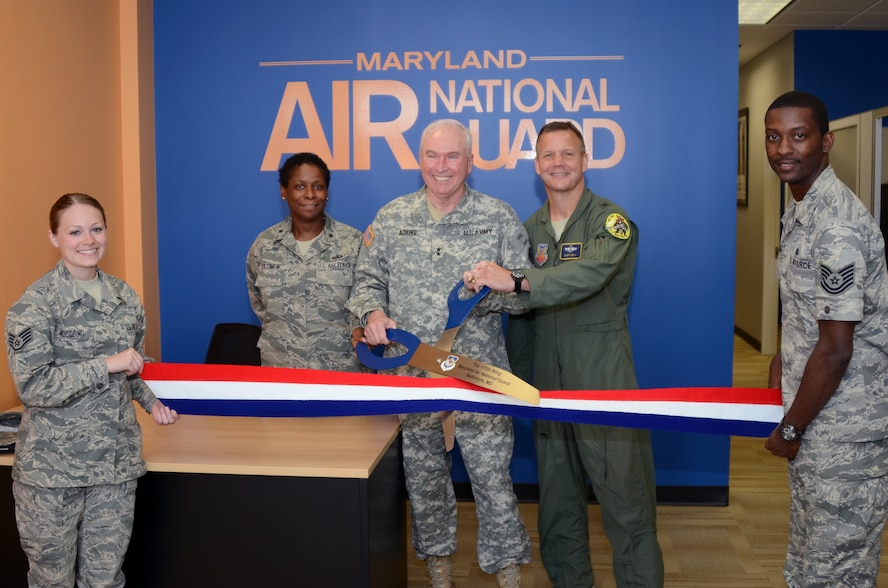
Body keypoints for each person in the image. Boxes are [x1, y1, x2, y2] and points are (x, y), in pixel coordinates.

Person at [464, 121, 664, 587]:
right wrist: (511, 382)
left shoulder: (610, 221)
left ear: (585, 160)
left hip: (603, 383)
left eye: (568, 154)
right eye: (548, 156)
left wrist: (516, 279)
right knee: (557, 503)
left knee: (626, 501)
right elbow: (521, 316)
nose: (558, 163)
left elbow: (588, 275)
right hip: (547, 390)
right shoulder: (528, 229)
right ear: (537, 165)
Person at [347, 119, 532, 587]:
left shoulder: (498, 217)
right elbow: (367, 281)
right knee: (425, 482)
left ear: (470, 161)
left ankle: (508, 572)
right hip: (414, 377)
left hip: (479, 374)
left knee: (493, 480)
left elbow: (526, 293)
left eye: (453, 156)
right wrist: (371, 312)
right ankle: (439, 572)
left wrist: (493, 286)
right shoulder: (391, 217)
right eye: (433, 155)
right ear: (419, 160)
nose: (442, 166)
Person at [5, 193, 180, 587]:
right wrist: (105, 364)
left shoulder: (125, 298)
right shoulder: (34, 307)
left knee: (104, 580)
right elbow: (34, 385)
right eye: (75, 231)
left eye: (96, 229)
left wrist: (154, 404)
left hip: (114, 469)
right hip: (52, 475)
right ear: (54, 238)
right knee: (52, 581)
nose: (89, 240)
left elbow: (133, 368)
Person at [763, 90, 888, 587]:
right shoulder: (802, 207)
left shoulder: (835, 225)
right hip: (818, 417)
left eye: (799, 135)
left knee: (836, 571)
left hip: (844, 432)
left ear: (826, 141)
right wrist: (780, 358)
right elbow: (807, 311)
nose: (784, 149)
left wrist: (791, 428)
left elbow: (836, 349)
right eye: (774, 137)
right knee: (813, 558)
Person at [246, 152, 365, 371]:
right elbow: (260, 306)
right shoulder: (264, 246)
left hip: (340, 373)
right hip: (280, 373)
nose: (310, 194)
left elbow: (364, 303)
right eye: (300, 186)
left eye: (318, 186)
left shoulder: (353, 243)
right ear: (284, 190)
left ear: (327, 192)